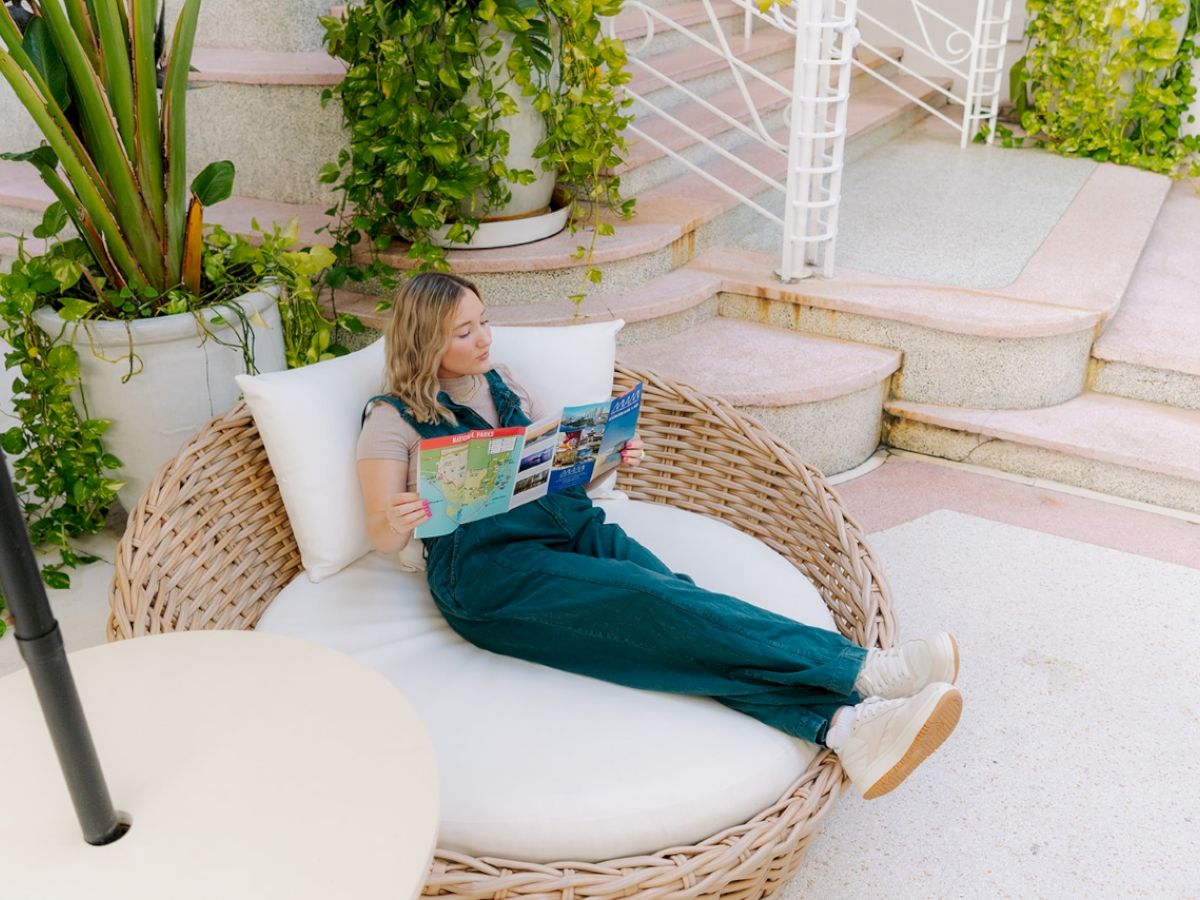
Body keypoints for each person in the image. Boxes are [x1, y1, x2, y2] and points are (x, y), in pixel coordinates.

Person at [357, 272, 963, 799]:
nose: (485, 337)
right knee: (650, 602)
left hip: (568, 524)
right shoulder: (392, 420)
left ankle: (844, 729)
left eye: (484, 320)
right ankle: (864, 674)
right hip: (487, 572)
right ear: (425, 340)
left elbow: (541, 469)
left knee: (675, 600)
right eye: (465, 332)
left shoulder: (503, 381)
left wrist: (607, 458)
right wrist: (399, 517)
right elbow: (381, 534)